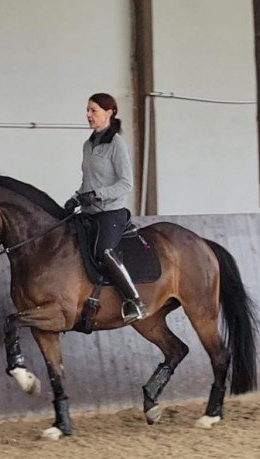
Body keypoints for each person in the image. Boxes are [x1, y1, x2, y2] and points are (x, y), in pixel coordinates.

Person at [65, 93, 148, 323]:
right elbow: (88, 180)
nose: (88, 115)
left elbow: (126, 183)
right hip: (88, 210)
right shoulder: (88, 144)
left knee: (104, 251)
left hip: (111, 213)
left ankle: (135, 301)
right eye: (88, 110)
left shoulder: (116, 144)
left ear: (109, 112)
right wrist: (76, 197)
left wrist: (97, 195)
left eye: (94, 111)